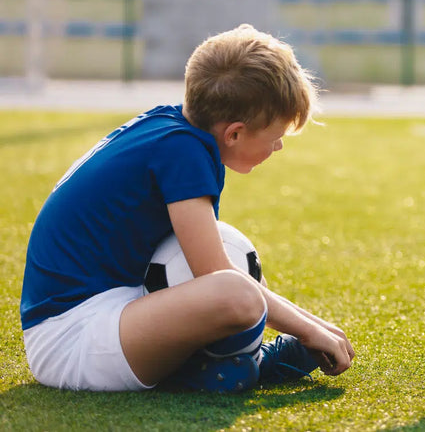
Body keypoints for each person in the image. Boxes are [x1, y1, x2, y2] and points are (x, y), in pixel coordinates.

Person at [21, 24, 355, 392]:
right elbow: (215, 277)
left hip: (104, 313)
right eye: (275, 138)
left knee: (225, 246)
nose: (277, 148)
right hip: (73, 339)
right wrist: (307, 330)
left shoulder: (173, 127)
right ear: (235, 133)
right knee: (235, 292)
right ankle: (245, 364)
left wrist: (315, 327)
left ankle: (220, 363)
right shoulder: (183, 152)